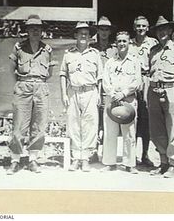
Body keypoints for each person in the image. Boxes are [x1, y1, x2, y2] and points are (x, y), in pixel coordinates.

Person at [7, 14, 54, 175]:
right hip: (23, 86)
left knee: (39, 125)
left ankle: (33, 159)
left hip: (41, 87)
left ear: (42, 31)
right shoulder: (18, 48)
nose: (35, 30)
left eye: (38, 28)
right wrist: (22, 83)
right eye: (31, 28)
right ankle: (15, 160)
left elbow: (50, 72)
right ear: (26, 30)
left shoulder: (47, 49)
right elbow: (11, 69)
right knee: (19, 125)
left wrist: (37, 82)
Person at [148, 16, 174, 178]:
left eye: (165, 29)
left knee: (172, 129)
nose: (162, 32)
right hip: (154, 92)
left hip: (172, 90)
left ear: (171, 31)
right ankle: (163, 162)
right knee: (156, 129)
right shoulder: (153, 51)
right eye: (159, 30)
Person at [60, 21, 103, 172]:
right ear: (75, 35)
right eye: (80, 33)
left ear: (90, 37)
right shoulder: (68, 54)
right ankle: (75, 157)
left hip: (91, 92)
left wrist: (99, 94)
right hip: (74, 92)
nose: (84, 35)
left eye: (86, 33)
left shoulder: (95, 54)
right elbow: (63, 75)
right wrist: (64, 93)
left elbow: (100, 77)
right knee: (74, 124)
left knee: (90, 125)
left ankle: (85, 158)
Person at [100, 31, 142, 174]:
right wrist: (113, 94)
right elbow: (105, 82)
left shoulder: (135, 61)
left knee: (129, 133)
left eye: (125, 41)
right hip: (112, 101)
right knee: (110, 131)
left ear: (129, 42)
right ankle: (109, 162)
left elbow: (137, 81)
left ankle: (130, 164)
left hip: (128, 100)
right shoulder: (110, 62)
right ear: (115, 43)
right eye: (119, 41)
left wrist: (123, 93)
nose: (122, 44)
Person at [130, 16, 158, 167]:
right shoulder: (128, 43)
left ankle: (145, 154)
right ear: (134, 28)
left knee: (146, 119)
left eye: (143, 26)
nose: (140, 28)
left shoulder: (153, 43)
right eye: (138, 26)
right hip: (133, 81)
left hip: (147, 80)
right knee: (132, 118)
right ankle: (131, 156)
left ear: (148, 28)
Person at [89, 16, 118, 163]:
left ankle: (107, 153)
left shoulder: (115, 50)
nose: (104, 32)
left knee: (108, 121)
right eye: (101, 29)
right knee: (94, 121)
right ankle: (93, 151)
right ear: (98, 31)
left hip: (109, 90)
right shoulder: (91, 49)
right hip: (94, 89)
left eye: (107, 29)